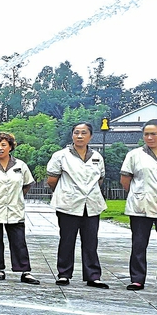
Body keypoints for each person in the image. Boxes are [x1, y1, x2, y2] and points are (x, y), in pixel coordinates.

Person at [46, 122, 109, 288]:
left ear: (90, 136)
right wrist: (66, 193)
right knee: (67, 240)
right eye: (76, 133)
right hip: (68, 204)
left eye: (83, 133)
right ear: (72, 135)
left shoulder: (97, 157)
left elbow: (100, 179)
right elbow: (52, 180)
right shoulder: (61, 155)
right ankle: (64, 274)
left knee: (91, 241)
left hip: (92, 205)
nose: (79, 136)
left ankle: (93, 275)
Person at [120, 119, 157, 293]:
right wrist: (138, 194)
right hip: (140, 205)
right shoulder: (134, 155)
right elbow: (125, 180)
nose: (150, 137)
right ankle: (137, 279)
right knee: (138, 243)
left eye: (154, 134)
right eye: (146, 134)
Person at [0, 132, 39, 284]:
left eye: (4, 145)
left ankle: (25, 271)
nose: (0, 148)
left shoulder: (20, 166)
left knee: (18, 241)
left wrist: (17, 196)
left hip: (14, 208)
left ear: (10, 147)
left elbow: (27, 184)